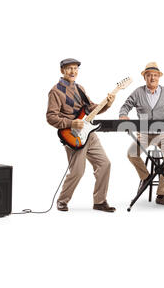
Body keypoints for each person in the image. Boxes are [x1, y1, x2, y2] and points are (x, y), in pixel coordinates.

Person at [47, 58, 116, 212]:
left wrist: (108, 103)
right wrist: (71, 123)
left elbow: (91, 109)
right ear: (62, 71)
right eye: (69, 68)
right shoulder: (55, 91)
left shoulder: (80, 89)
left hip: (89, 134)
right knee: (78, 171)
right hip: (73, 136)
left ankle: (99, 201)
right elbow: (51, 117)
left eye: (75, 68)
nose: (73, 71)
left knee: (105, 164)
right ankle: (62, 201)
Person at [119, 62, 164, 206]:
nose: (152, 78)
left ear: (159, 77)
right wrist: (123, 114)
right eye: (149, 75)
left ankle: (162, 194)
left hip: (163, 134)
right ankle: (146, 177)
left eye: (155, 75)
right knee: (131, 153)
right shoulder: (138, 92)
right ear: (145, 78)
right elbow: (126, 105)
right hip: (144, 133)